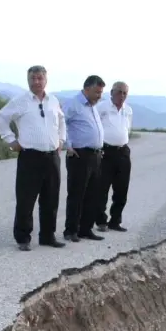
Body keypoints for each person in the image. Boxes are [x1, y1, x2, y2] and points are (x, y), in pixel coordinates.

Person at [0, 65, 67, 251]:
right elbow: (0, 118)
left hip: (52, 157)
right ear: (28, 80)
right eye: (33, 78)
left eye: (40, 78)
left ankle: (48, 236)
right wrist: (10, 140)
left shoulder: (53, 101)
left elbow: (62, 121)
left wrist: (61, 140)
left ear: (46, 80)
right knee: (26, 199)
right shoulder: (20, 101)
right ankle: (23, 238)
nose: (36, 82)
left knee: (51, 199)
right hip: (30, 157)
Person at [61, 75, 107, 242]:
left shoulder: (93, 105)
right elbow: (61, 123)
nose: (99, 96)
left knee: (92, 194)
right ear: (87, 89)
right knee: (77, 194)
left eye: (101, 92)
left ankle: (85, 229)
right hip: (79, 154)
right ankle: (71, 230)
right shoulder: (73, 104)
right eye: (96, 92)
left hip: (95, 155)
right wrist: (68, 145)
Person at [95, 81, 133, 232]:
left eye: (124, 93)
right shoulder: (101, 107)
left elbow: (128, 128)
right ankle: (101, 221)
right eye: (119, 92)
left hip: (123, 151)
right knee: (102, 188)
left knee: (122, 188)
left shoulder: (128, 110)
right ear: (111, 92)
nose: (121, 96)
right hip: (106, 151)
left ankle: (115, 221)